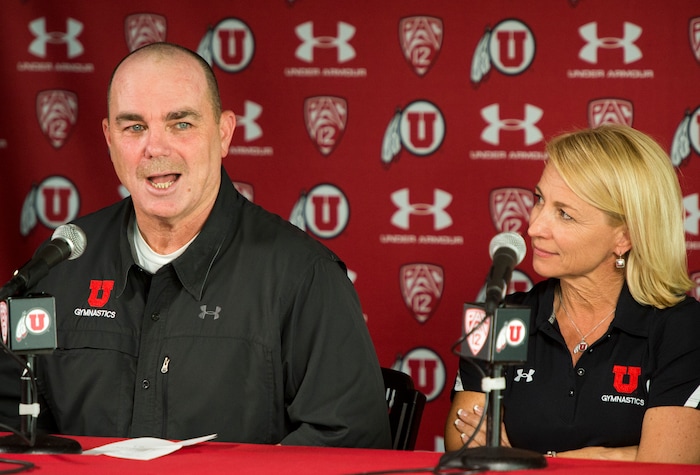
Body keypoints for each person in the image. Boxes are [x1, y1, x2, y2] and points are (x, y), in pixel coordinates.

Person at [0, 42, 391, 448]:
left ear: (223, 134)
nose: (155, 148)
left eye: (180, 124)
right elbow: (13, 425)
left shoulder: (304, 277)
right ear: (109, 138)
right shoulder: (62, 264)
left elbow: (348, 438)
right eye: (134, 127)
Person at [444, 125, 700, 463]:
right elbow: (465, 445)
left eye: (564, 214)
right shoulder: (501, 314)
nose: (533, 227)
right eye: (539, 199)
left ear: (624, 236)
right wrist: (617, 457)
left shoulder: (681, 327)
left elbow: (666, 465)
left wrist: (526, 461)